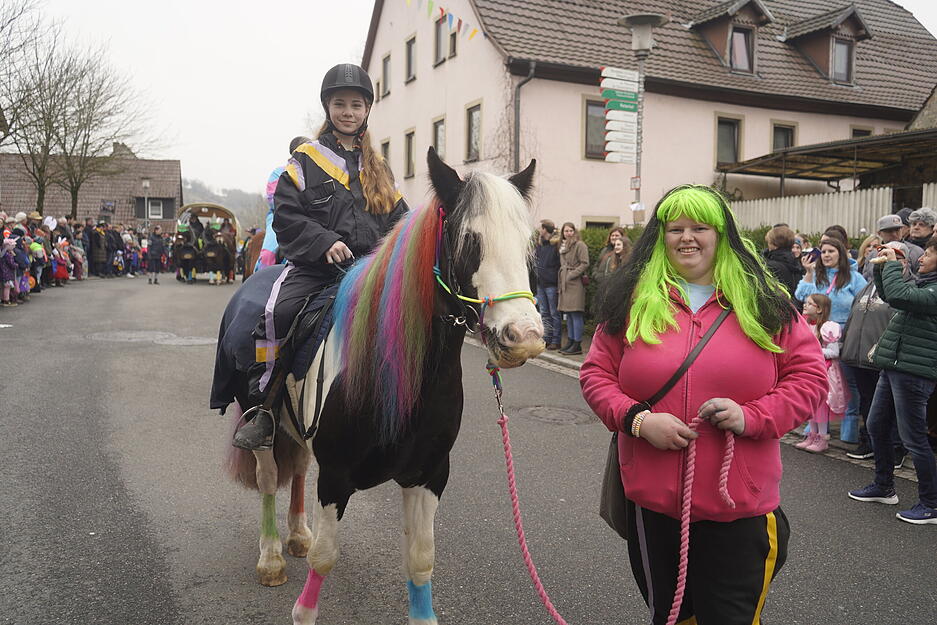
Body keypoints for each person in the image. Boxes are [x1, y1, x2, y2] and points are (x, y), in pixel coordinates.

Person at [581, 185, 827, 624]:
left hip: (739, 507)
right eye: (675, 228)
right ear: (661, 237)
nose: (686, 237)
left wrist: (752, 417)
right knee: (669, 616)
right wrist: (638, 420)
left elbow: (808, 378)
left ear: (722, 234)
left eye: (699, 227)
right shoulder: (631, 302)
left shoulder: (766, 302)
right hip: (652, 507)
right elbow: (596, 375)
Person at [232, 63, 408, 450]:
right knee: (275, 314)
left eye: (357, 105)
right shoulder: (305, 160)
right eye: (341, 104)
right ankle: (264, 406)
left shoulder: (379, 167)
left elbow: (400, 219)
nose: (349, 111)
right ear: (328, 108)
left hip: (370, 271)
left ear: (366, 111)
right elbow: (288, 214)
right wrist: (324, 241)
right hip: (317, 270)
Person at [848, 238, 937, 525]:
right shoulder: (924, 284)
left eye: (932, 251)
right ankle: (884, 486)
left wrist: (891, 266)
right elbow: (891, 295)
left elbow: (900, 296)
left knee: (914, 439)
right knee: (875, 424)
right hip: (895, 365)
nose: (923, 256)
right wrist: (883, 267)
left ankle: (931, 503)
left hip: (915, 371)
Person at [840, 241, 910, 463]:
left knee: (892, 407)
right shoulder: (868, 285)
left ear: (905, 262)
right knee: (867, 404)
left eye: (894, 257)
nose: (886, 260)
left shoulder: (907, 287)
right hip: (859, 356)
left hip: (884, 358)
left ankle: (896, 449)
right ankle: (870, 444)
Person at [795, 294, 845, 453]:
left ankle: (822, 438)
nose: (805, 305)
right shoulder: (806, 325)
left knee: (821, 406)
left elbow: (834, 352)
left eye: (810, 303)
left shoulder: (827, 328)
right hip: (809, 370)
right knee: (811, 403)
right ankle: (812, 434)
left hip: (823, 371)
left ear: (820, 309)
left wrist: (814, 351)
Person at [257, 136, 312, 272]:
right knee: (267, 255)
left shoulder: (318, 173)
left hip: (313, 220)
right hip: (281, 219)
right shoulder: (279, 173)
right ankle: (260, 283)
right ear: (295, 153)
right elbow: (274, 200)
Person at [795, 238, 867, 328]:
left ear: (840, 254)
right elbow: (800, 296)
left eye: (831, 251)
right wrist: (809, 272)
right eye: (823, 252)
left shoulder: (854, 277)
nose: (826, 255)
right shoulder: (816, 275)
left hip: (845, 331)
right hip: (817, 330)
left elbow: (865, 304)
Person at [557, 221, 589, 355]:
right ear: (563, 233)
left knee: (576, 313)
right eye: (566, 231)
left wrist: (571, 275)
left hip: (575, 284)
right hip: (565, 283)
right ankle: (570, 341)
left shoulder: (580, 245)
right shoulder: (562, 246)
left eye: (570, 231)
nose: (568, 233)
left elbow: (585, 263)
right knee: (568, 314)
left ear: (574, 232)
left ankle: (577, 344)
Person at [864, 214, 923, 279]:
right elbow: (867, 280)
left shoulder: (916, 252)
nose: (894, 234)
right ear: (879, 233)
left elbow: (920, 280)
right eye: (889, 231)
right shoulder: (873, 255)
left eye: (897, 230)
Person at [535, 219, 562, 350]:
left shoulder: (555, 245)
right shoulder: (540, 245)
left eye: (541, 228)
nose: (539, 230)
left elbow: (560, 265)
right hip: (541, 284)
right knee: (544, 313)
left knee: (554, 313)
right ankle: (546, 338)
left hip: (552, 284)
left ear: (545, 229)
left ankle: (556, 341)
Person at [762, 225, 801, 297]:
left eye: (769, 243)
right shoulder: (795, 261)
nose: (768, 246)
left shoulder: (771, 266)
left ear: (775, 245)